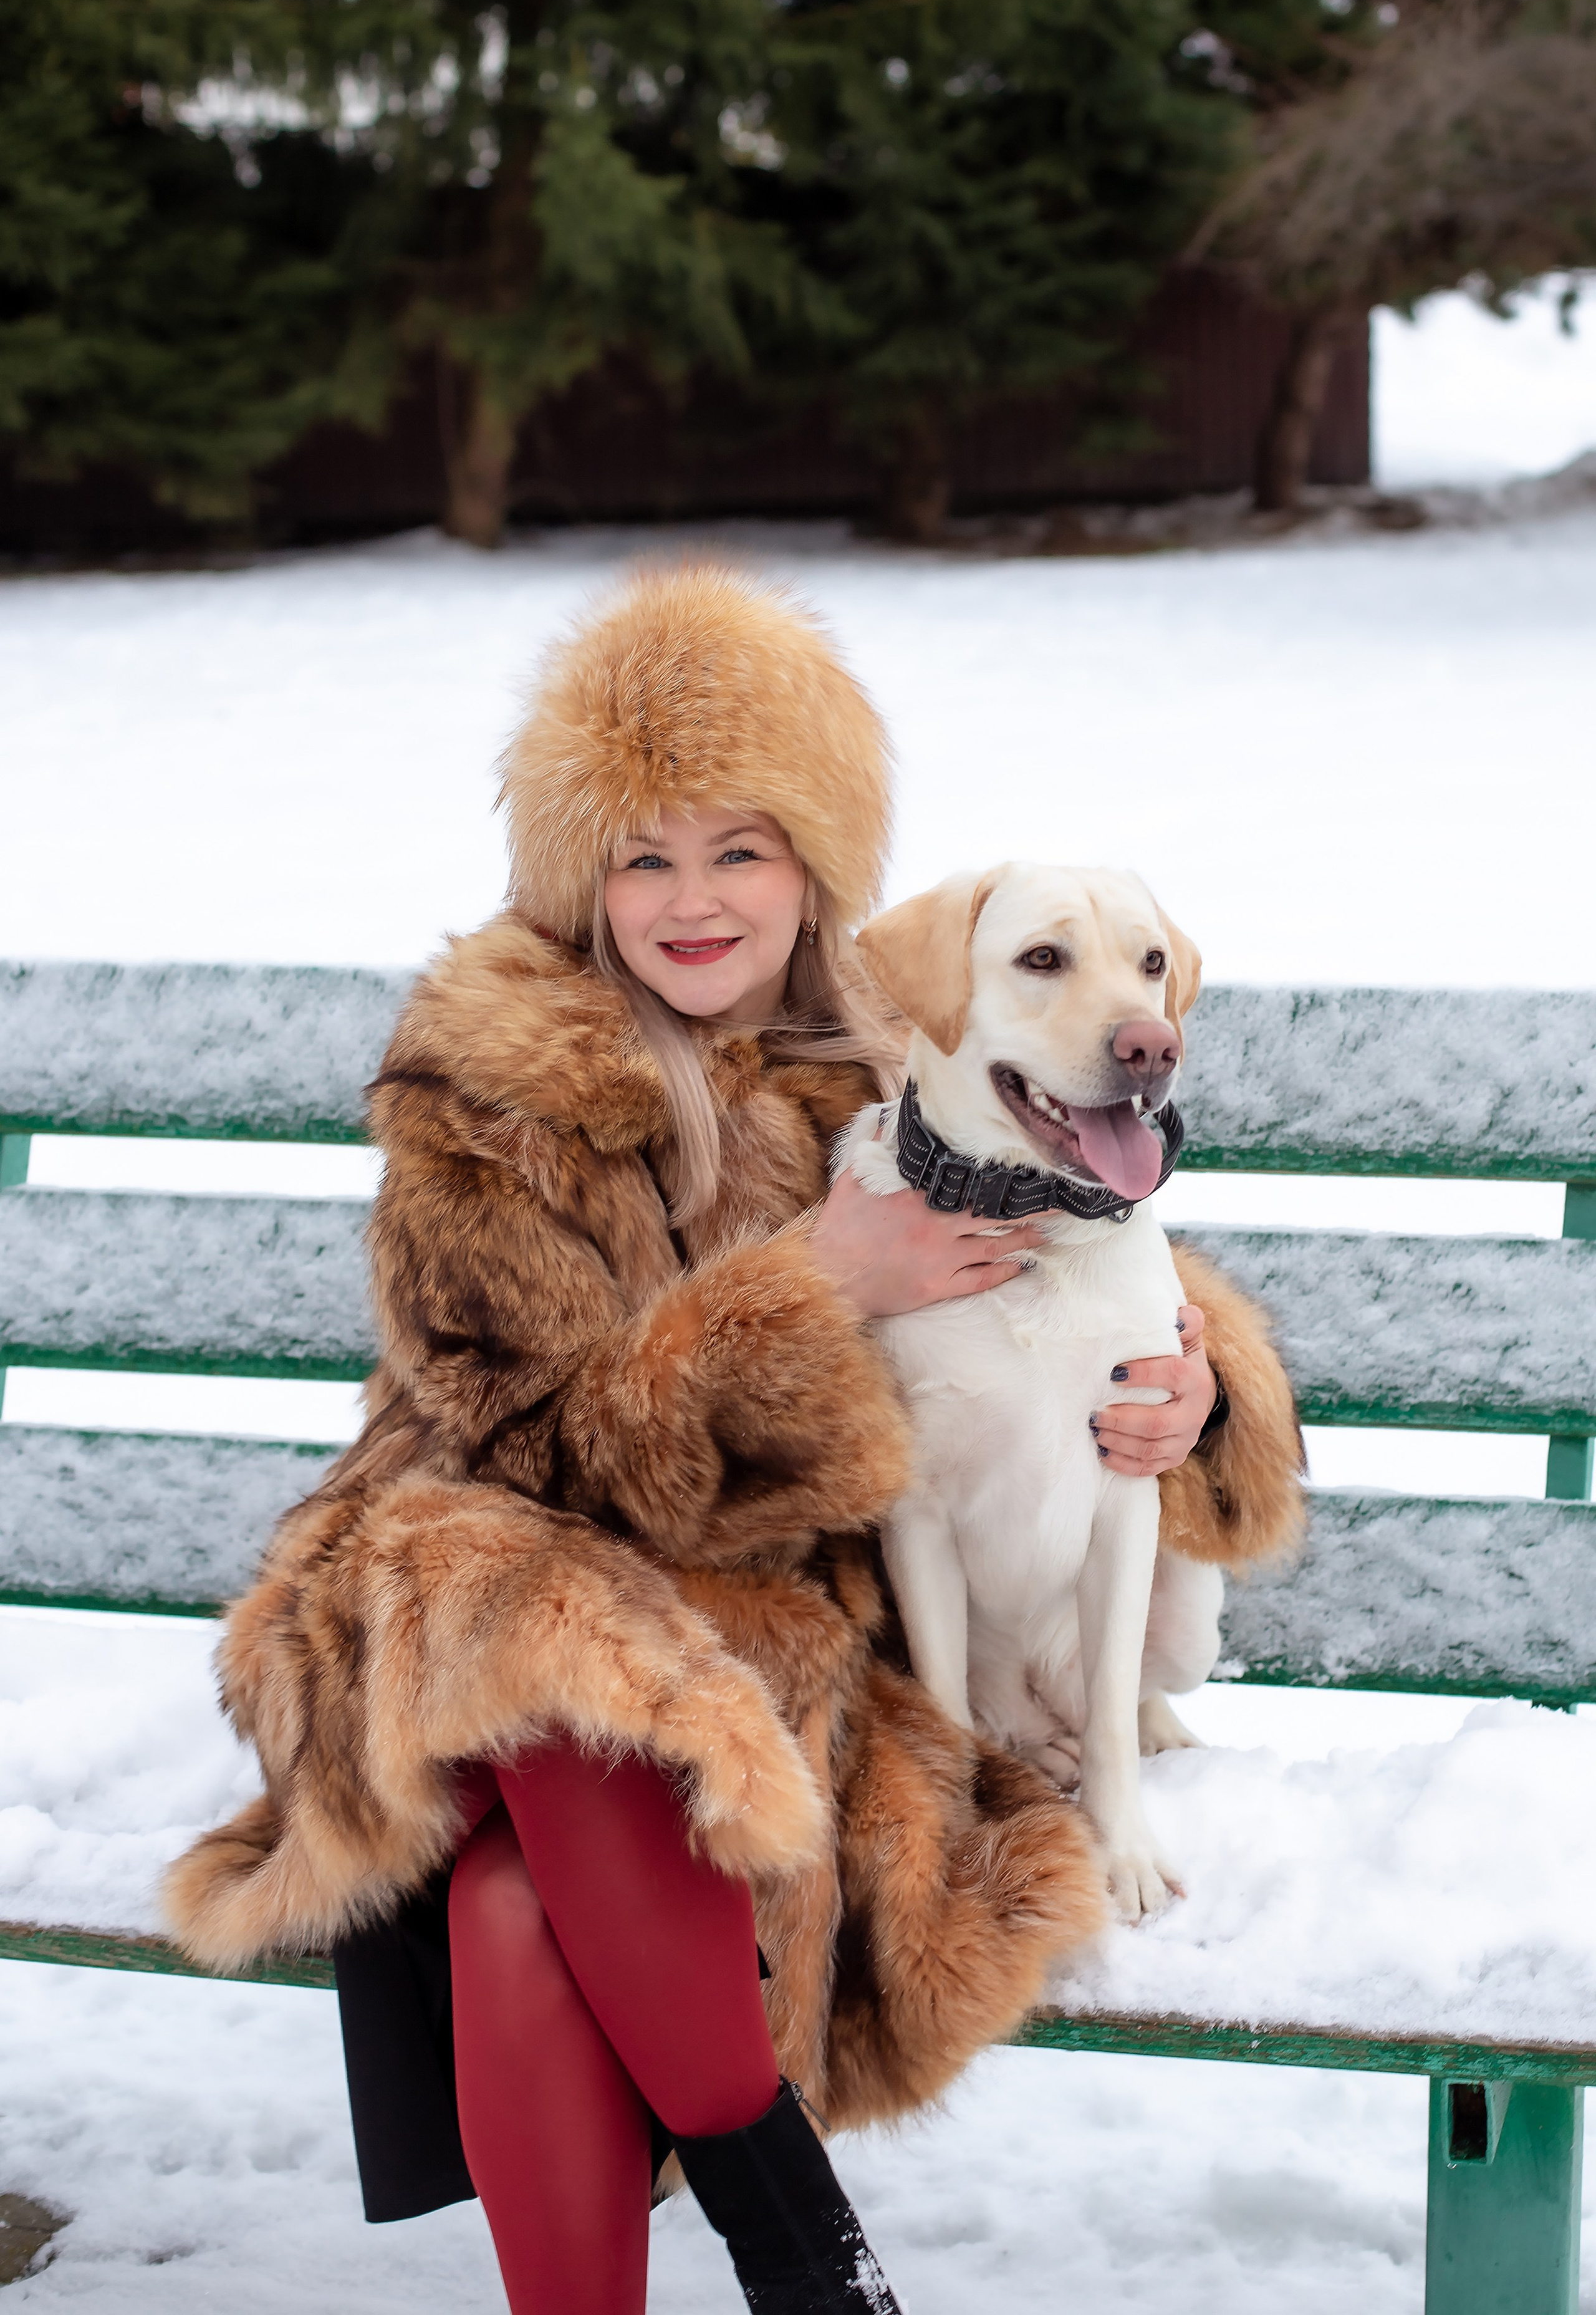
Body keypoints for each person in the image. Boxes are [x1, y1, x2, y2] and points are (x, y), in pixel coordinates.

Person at [165, 564, 1302, 2315]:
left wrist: (1201, 1398)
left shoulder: (909, 1054)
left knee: (520, 1908)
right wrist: (811, 1288)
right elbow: (524, 1449)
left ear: (813, 864)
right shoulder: (504, 1079)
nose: (694, 901)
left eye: (741, 850)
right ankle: (808, 2257)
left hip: (755, 1654)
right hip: (454, 1591)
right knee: (560, 1643)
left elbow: (1090, 1285)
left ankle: (790, 2263)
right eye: (645, 858)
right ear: (583, 877)